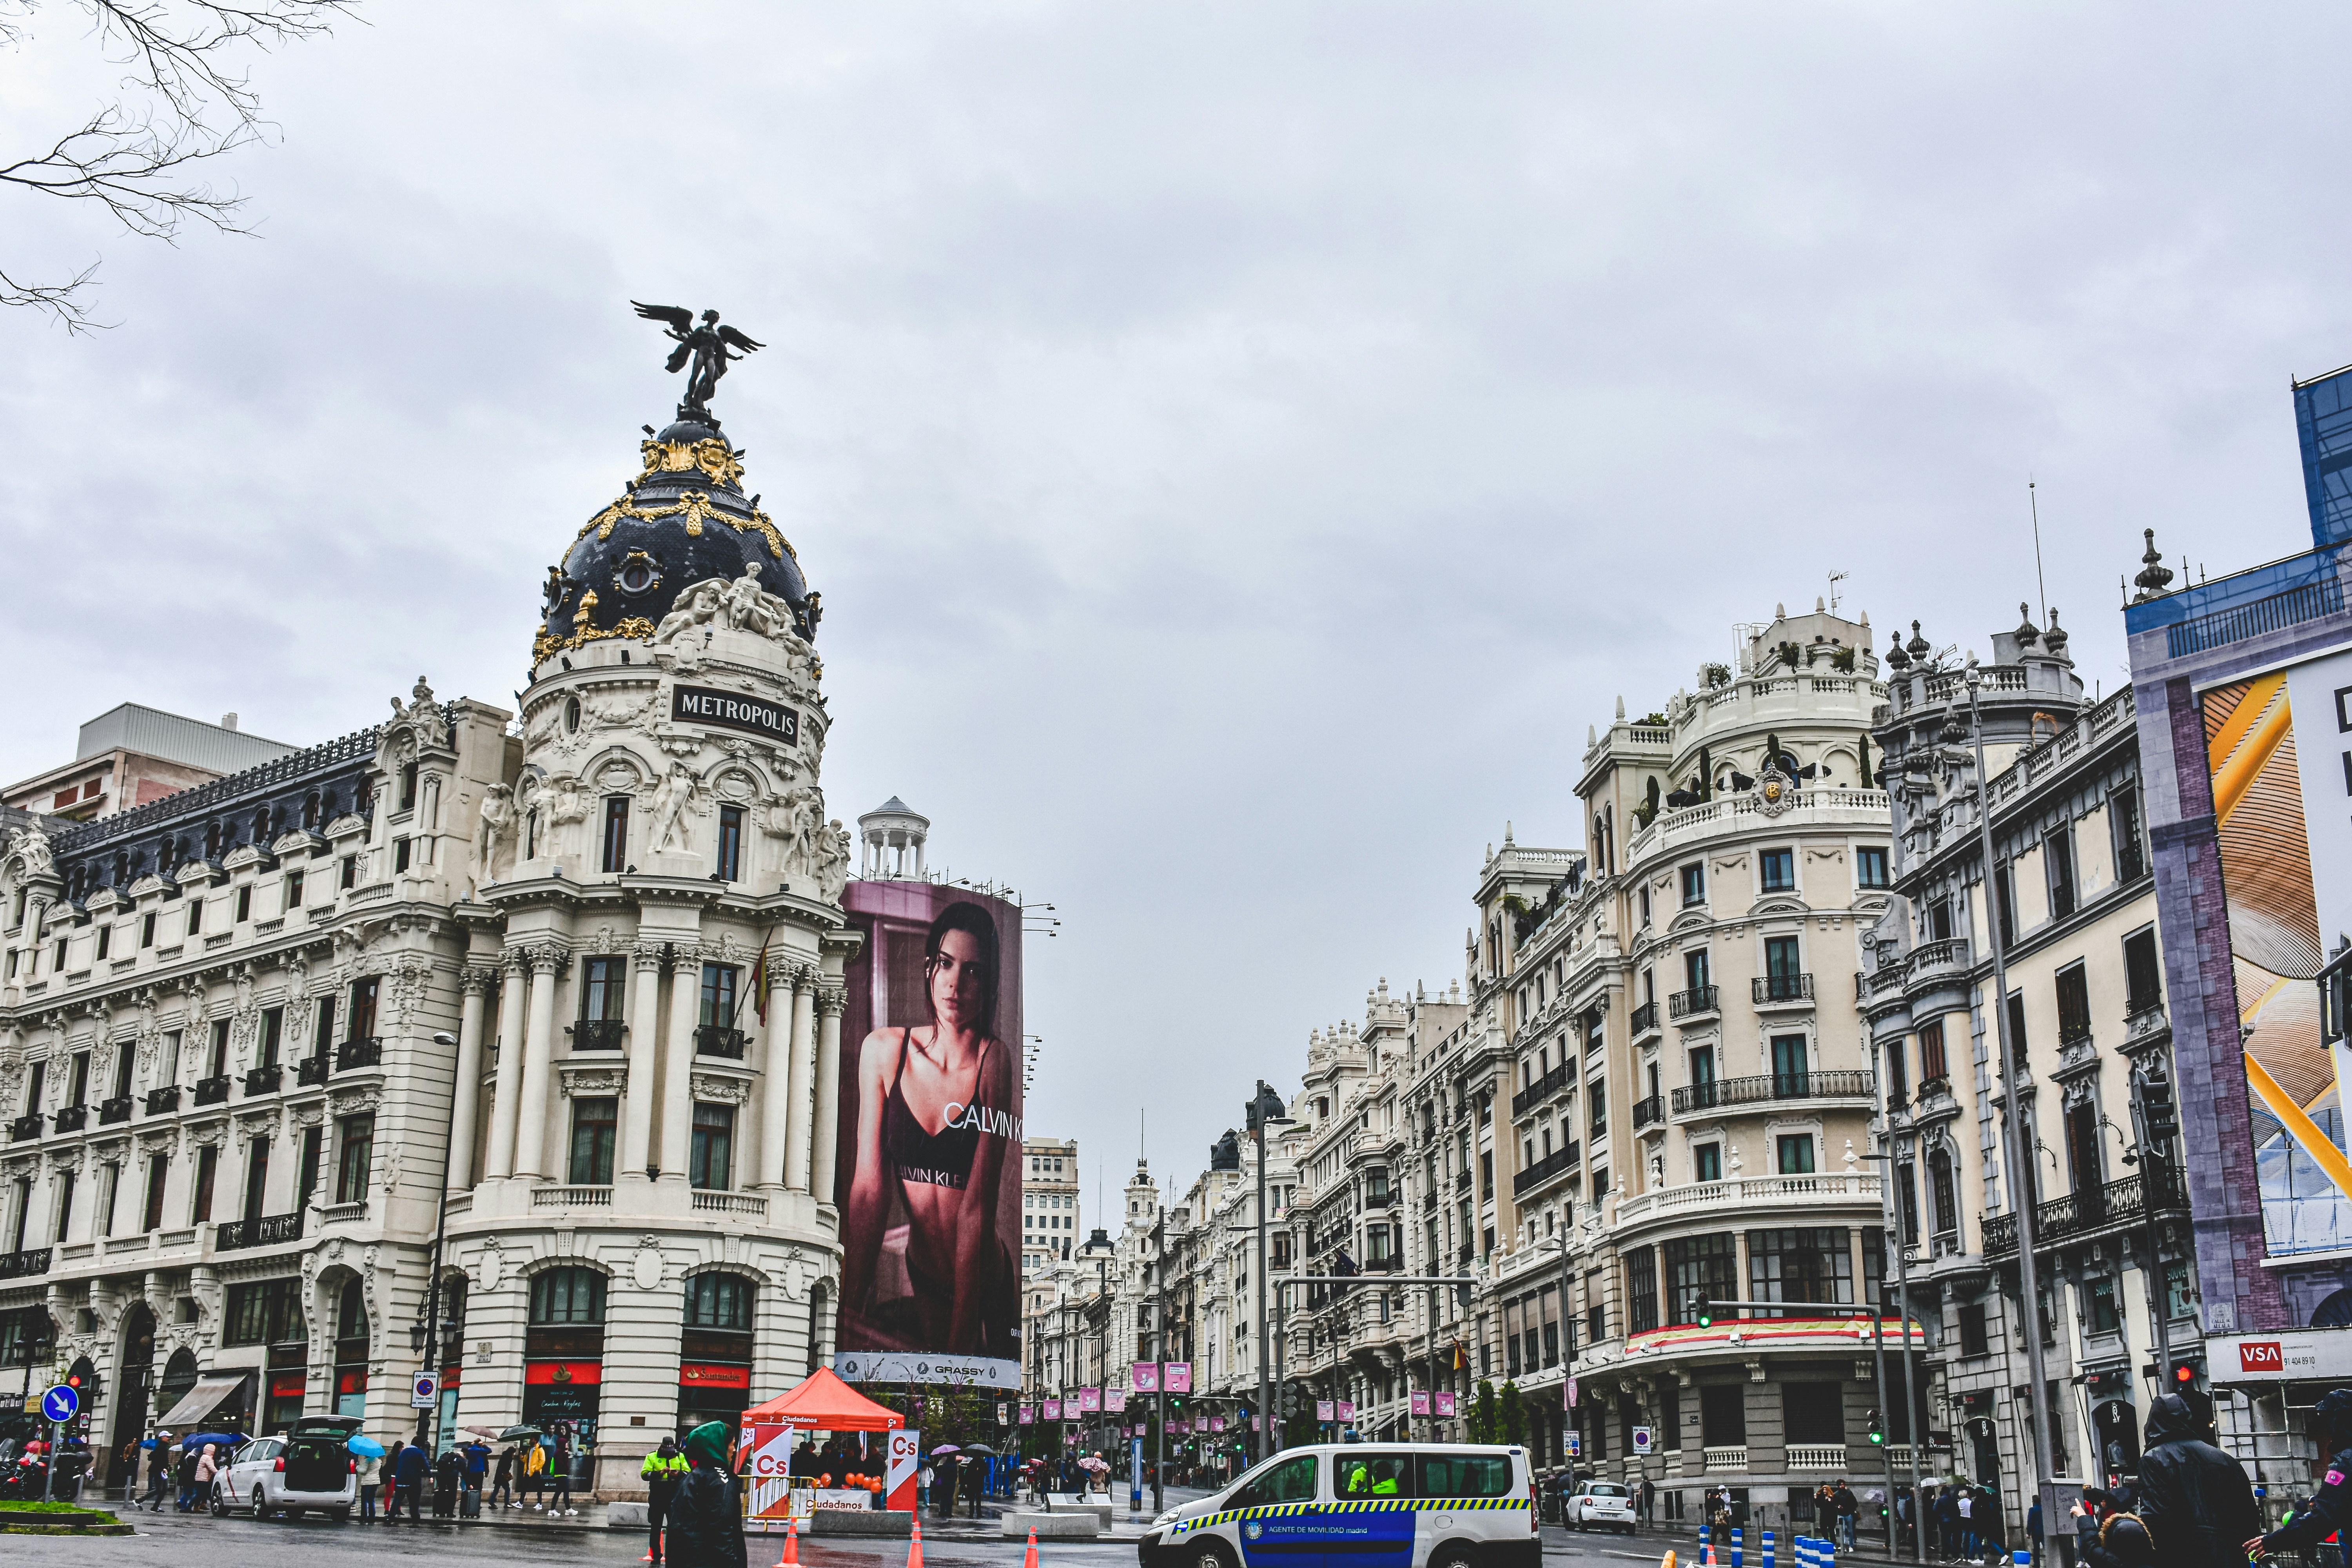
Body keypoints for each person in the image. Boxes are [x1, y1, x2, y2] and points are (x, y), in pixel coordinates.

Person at [840, 902, 1019, 1358]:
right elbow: (869, 1190)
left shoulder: (994, 1061)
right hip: (925, 1271)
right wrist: (846, 1313)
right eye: (946, 963)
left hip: (985, 1275)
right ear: (928, 968)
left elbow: (977, 1207)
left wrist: (963, 1342)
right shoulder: (884, 1051)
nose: (956, 983)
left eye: (973, 971)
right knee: (936, 1389)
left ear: (989, 984)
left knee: (982, 1381)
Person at [2119, 1391, 2254, 1568]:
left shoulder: (2154, 1460)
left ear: (2153, 1423)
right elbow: (2249, 1518)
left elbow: (2156, 1521)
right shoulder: (2226, 1460)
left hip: (2183, 1558)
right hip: (2231, 1558)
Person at [2249, 1388, 2352, 1566]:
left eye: (2327, 1421)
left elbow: (2323, 1518)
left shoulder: (2346, 1463)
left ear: (2338, 1421)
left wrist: (2273, 1541)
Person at [666, 1422, 746, 1568]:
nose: (734, 1450)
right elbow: (722, 1532)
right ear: (718, 1446)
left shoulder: (691, 1478)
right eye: (732, 1444)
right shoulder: (722, 1480)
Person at [643, 1436, 689, 1563]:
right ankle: (656, 1556)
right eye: (667, 1451)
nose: (670, 1453)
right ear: (662, 1448)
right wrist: (660, 1473)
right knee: (656, 1527)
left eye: (671, 1451)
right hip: (657, 1497)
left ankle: (673, 1555)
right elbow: (645, 1474)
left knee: (674, 1528)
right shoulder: (652, 1456)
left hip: (674, 1497)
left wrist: (678, 1475)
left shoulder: (679, 1456)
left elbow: (688, 1473)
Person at [392, 1435, 427, 1521]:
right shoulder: (419, 1452)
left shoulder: (403, 1452)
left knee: (397, 1500)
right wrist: (430, 1475)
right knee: (414, 1501)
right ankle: (415, 1518)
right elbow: (425, 1465)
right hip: (412, 1481)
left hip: (400, 1480)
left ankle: (390, 1517)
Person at [547, 1430, 576, 1515]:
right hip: (561, 1475)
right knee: (566, 1492)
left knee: (558, 1492)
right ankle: (568, 1509)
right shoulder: (559, 1453)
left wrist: (566, 1453)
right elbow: (563, 1464)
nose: (567, 1445)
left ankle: (552, 1510)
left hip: (560, 1475)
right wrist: (566, 1455)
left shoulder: (560, 1452)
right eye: (566, 1443)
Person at [141, 1433, 172, 1511]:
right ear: (162, 1437)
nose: (169, 1438)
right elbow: (158, 1460)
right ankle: (139, 1501)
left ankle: (156, 1507)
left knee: (165, 1489)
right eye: (167, 1437)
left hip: (162, 1470)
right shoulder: (161, 1447)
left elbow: (161, 1459)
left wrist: (167, 1466)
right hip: (159, 1471)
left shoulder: (162, 1447)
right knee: (159, 1489)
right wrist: (163, 1468)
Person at [357, 1446, 380, 1521]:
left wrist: (358, 1467)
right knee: (372, 1500)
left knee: (364, 1500)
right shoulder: (378, 1460)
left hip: (367, 1482)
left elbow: (363, 1471)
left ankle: (364, 1517)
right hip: (376, 1482)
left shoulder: (368, 1460)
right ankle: (372, 1517)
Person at [491, 1443, 518, 1508]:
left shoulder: (504, 1456)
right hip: (502, 1476)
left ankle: (491, 1503)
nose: (514, 1454)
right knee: (507, 1489)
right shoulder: (508, 1458)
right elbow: (505, 1467)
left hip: (499, 1476)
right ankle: (506, 1503)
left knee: (496, 1489)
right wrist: (507, 1474)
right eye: (513, 1453)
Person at [1837, 1481, 1860, 1550]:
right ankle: (1844, 1545)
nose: (1842, 1486)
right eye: (1841, 1485)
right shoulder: (1837, 1494)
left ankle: (1850, 1545)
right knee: (1843, 1531)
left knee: (1850, 1531)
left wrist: (1850, 1509)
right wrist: (1838, 1507)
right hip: (1841, 1515)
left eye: (1843, 1485)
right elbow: (1834, 1504)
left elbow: (1855, 1504)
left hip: (1848, 1514)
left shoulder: (1849, 1494)